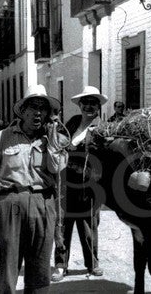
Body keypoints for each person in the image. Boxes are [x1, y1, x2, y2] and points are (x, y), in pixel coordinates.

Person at [0, 84, 68, 294]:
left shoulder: (54, 140)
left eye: (43, 108)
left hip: (42, 203)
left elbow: (56, 169)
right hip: (9, 204)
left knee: (40, 268)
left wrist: (54, 140)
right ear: (23, 110)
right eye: (33, 107)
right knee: (8, 266)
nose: (38, 112)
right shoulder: (1, 138)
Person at [52, 86, 107, 282]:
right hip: (66, 182)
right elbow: (58, 141)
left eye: (93, 103)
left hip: (89, 185)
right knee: (63, 225)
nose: (89, 107)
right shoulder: (73, 122)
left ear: (98, 107)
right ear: (80, 105)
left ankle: (92, 264)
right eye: (86, 103)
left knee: (88, 226)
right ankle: (60, 266)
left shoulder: (102, 129)